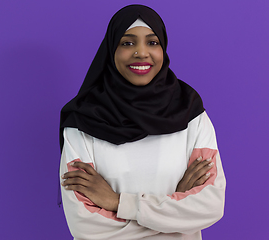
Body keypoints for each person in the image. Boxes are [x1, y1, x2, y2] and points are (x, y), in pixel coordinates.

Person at [59, 4, 226, 240]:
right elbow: (84, 225)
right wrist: (175, 215)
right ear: (111, 50)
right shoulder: (83, 121)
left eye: (152, 42)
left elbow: (211, 205)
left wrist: (118, 202)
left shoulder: (190, 114)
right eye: (127, 43)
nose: (141, 53)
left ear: (163, 49)